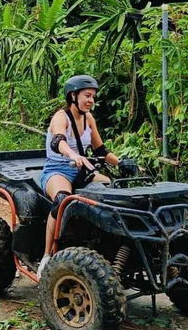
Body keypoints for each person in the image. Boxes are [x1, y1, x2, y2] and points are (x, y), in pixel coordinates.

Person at [37, 75, 138, 279]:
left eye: (93, 96)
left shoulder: (88, 118)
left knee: (115, 190)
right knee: (61, 200)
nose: (91, 100)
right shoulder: (61, 117)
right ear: (73, 96)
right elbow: (58, 141)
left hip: (83, 171)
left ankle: (111, 244)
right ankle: (47, 255)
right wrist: (73, 155)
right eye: (87, 96)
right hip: (58, 170)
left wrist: (121, 162)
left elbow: (101, 150)